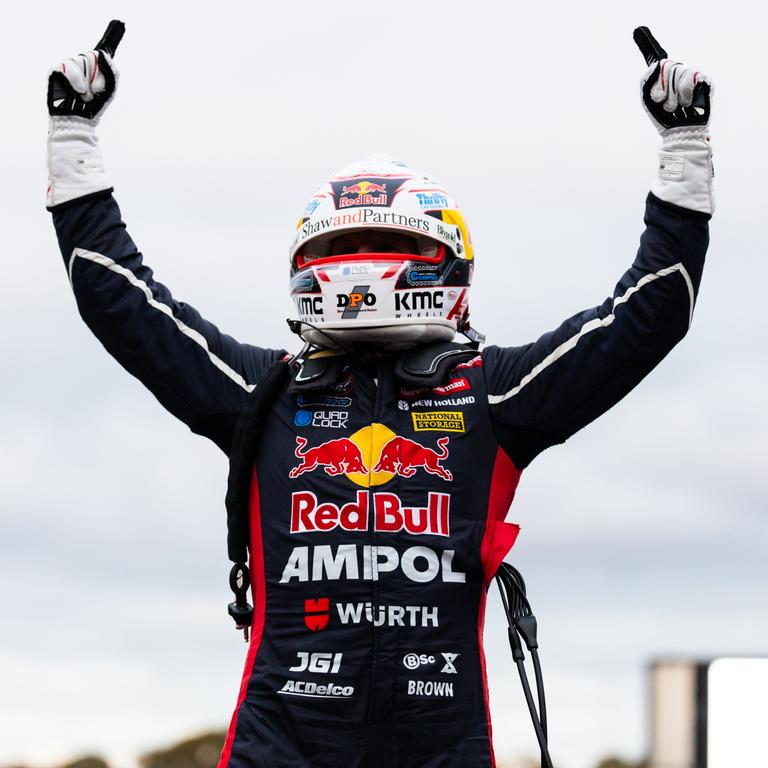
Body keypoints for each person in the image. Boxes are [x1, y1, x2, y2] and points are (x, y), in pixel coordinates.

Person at [46, 21, 714, 768]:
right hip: (282, 746)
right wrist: (74, 140)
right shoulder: (264, 395)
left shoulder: (491, 395)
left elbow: (649, 316)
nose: (362, 268)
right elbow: (123, 305)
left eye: (388, 245)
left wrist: (684, 151)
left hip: (440, 746)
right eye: (341, 249)